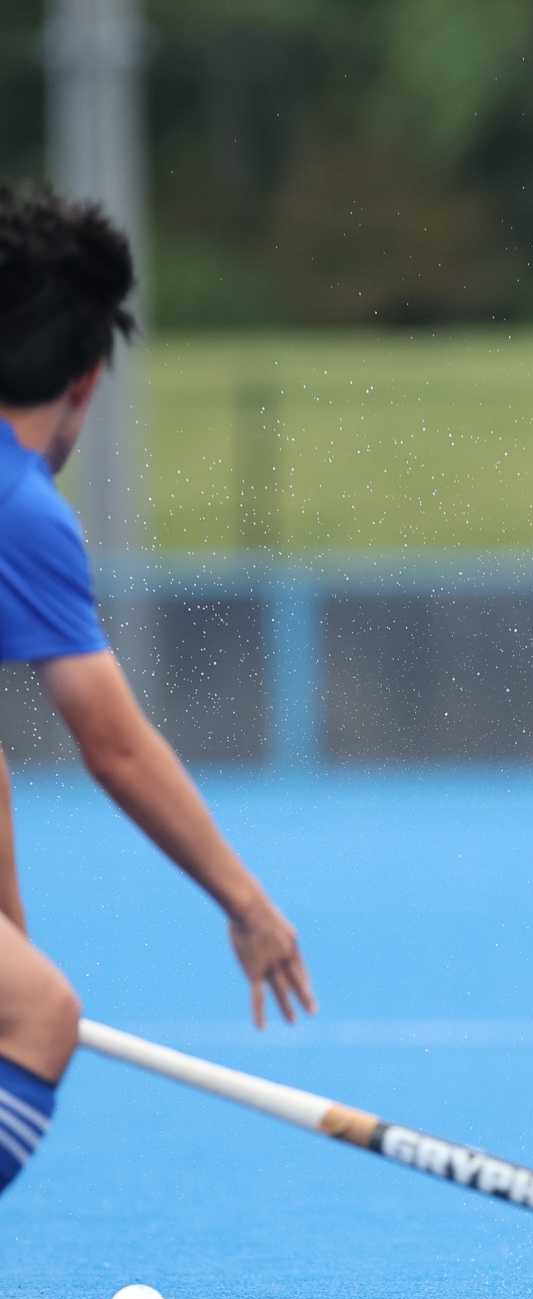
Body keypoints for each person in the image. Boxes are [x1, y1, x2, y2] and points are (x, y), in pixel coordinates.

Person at [0, 179, 316, 1217]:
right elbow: (117, 747)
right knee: (41, 1016)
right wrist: (249, 904)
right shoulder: (18, 510)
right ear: (87, 382)